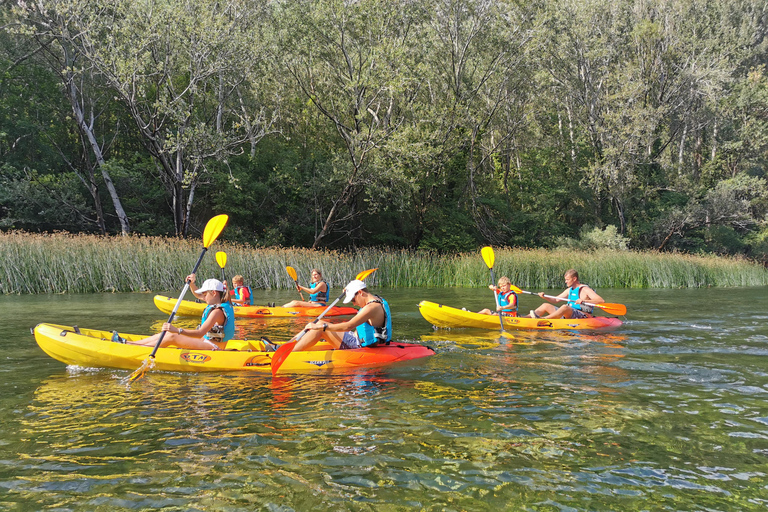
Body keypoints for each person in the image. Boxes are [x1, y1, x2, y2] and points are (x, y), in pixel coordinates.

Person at [128, 275, 236, 350]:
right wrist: (191, 284)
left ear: (213, 293)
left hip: (213, 347)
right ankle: (132, 344)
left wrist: (177, 330)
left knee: (172, 336)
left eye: (205, 293)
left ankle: (139, 350)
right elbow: (198, 295)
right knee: (168, 333)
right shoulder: (222, 302)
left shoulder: (217, 312)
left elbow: (200, 333)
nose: (203, 297)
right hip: (206, 341)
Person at [292, 279, 391, 351]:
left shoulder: (371, 308)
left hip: (358, 345)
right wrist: (349, 290)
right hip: (358, 338)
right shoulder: (378, 300)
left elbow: (348, 326)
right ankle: (290, 343)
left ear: (360, 293)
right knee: (320, 323)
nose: (354, 304)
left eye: (353, 299)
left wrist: (321, 327)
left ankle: (290, 353)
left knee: (320, 328)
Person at [528, 269, 604, 319]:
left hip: (582, 315)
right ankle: (526, 317)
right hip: (569, 314)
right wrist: (544, 296)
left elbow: (600, 300)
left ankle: (543, 319)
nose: (565, 282)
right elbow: (555, 300)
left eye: (567, 279)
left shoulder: (585, 289)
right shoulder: (569, 290)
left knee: (565, 307)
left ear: (574, 279)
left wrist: (584, 301)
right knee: (545, 305)